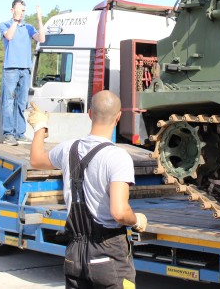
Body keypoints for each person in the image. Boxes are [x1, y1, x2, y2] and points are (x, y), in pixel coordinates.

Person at [28, 90, 147, 289]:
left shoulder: (68, 149)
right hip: (108, 255)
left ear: (90, 114)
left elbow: (36, 160)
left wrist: (40, 127)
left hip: (74, 254)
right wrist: (136, 220)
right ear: (118, 117)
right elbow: (119, 212)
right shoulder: (118, 157)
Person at [0, 0, 45, 146]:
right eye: (19, 10)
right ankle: (8, 134)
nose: (22, 13)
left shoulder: (29, 27)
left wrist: (39, 19)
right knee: (8, 102)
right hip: (11, 69)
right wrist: (15, 21)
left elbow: (42, 38)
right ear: (12, 10)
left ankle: (20, 133)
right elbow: (9, 37)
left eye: (24, 11)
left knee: (22, 102)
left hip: (25, 69)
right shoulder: (5, 24)